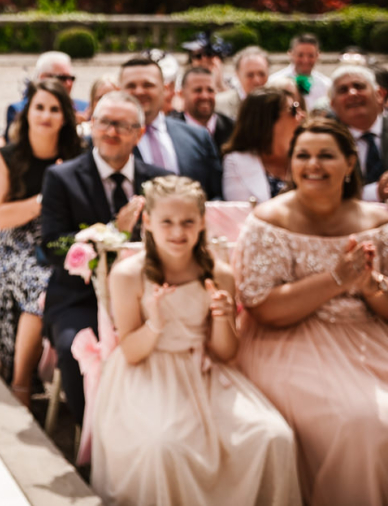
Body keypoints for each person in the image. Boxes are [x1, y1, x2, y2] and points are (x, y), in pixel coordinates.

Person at [92, 175, 300, 506]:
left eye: (188, 222)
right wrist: (155, 324)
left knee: (272, 435)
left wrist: (221, 317)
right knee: (163, 446)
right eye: (168, 222)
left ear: (202, 222)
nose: (178, 232)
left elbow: (226, 353)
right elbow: (130, 352)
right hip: (148, 372)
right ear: (147, 222)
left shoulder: (220, 274)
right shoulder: (128, 275)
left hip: (205, 371)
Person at [233, 116, 388, 506]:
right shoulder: (269, 222)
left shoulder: (379, 222)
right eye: (302, 155)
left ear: (350, 163)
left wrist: (371, 289)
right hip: (288, 340)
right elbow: (263, 308)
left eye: (325, 155)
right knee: (363, 422)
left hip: (370, 335)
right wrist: (336, 278)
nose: (312, 165)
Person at [39, 91, 172, 422]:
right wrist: (115, 231)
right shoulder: (61, 178)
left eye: (122, 125)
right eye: (105, 122)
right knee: (77, 354)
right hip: (78, 299)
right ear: (91, 125)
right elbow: (53, 247)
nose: (112, 131)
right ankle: (93, 437)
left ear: (139, 133)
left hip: (146, 298)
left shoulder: (159, 181)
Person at [0, 79, 81, 402]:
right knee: (41, 286)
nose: (46, 115)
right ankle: (21, 383)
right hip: (19, 246)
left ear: (65, 117)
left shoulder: (76, 156)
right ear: (27, 114)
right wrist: (44, 198)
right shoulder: (7, 157)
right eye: (39, 107)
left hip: (63, 239)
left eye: (55, 109)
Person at [120, 56, 222, 199]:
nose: (139, 91)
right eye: (131, 86)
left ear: (165, 89)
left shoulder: (198, 137)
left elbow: (216, 195)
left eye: (148, 85)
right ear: (119, 91)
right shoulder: (105, 141)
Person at [222, 87, 304, 202]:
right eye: (294, 110)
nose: (302, 115)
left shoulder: (307, 157)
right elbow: (242, 216)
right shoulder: (236, 162)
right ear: (268, 120)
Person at [327, 64, 386, 202]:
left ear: (379, 95)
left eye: (359, 86)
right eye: (343, 90)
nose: (352, 93)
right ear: (333, 105)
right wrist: (376, 192)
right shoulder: (327, 141)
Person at [5, 50, 88, 129]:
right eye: (62, 78)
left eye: (71, 78)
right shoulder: (18, 110)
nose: (69, 83)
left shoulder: (84, 108)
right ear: (43, 78)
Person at [171, 65, 235, 151]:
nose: (205, 96)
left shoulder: (233, 129)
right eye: (198, 90)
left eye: (210, 90)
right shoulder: (169, 130)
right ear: (182, 94)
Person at [216, 46, 270, 121]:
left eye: (262, 74)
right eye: (250, 75)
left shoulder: (279, 105)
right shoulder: (219, 104)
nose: (257, 80)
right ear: (237, 75)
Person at [274, 34, 330, 104]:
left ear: (318, 56)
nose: (305, 60)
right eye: (300, 55)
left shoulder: (326, 85)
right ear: (291, 54)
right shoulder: (275, 82)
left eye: (311, 55)